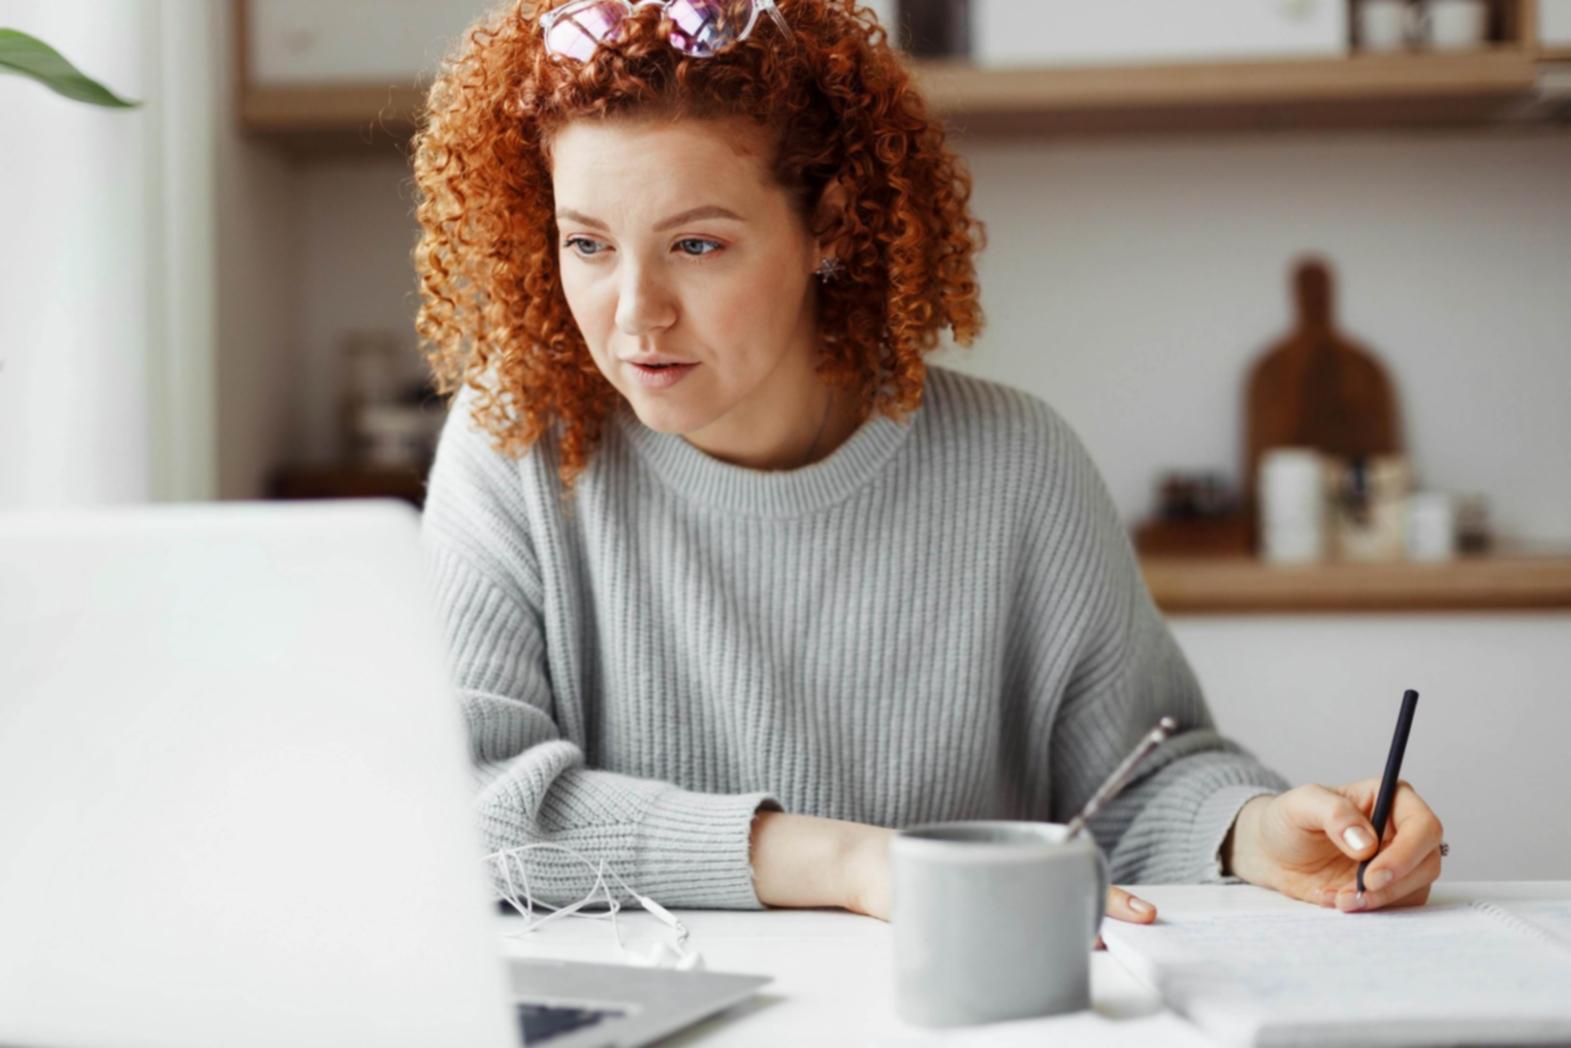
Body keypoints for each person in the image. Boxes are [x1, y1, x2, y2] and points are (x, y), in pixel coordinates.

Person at [410, 0, 1445, 929]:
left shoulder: (1013, 466)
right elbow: (462, 804)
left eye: (696, 246)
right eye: (586, 244)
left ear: (826, 226)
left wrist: (1252, 831)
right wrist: (849, 862)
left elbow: (1137, 775)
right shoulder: (512, 447)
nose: (634, 313)